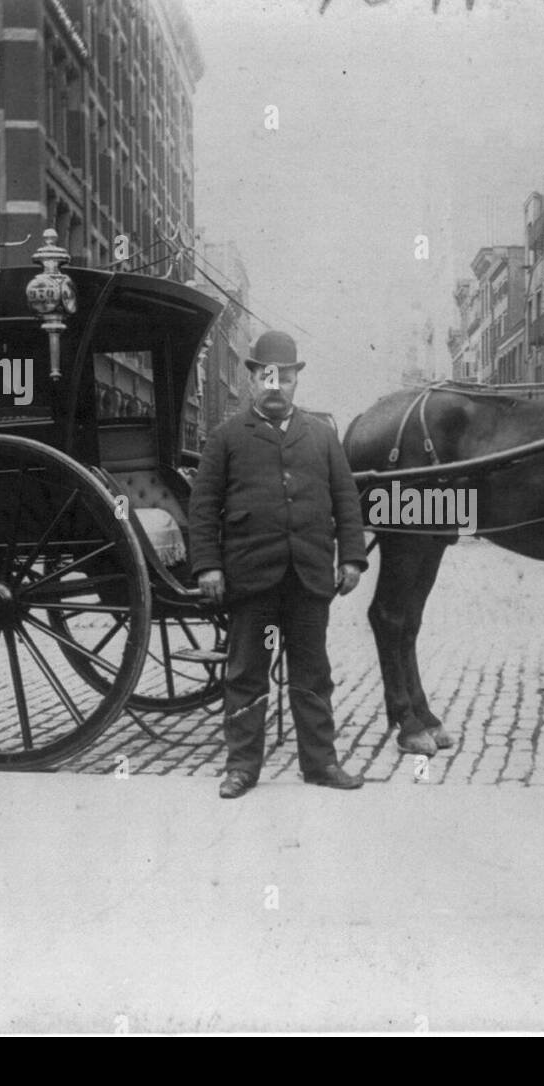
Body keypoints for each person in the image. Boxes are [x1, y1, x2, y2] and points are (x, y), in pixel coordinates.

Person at [188, 331, 369, 798]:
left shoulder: (323, 437)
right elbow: (204, 506)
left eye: (284, 378)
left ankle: (321, 764)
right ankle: (242, 768)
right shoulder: (227, 438)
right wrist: (208, 566)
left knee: (313, 674)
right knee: (246, 672)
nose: (275, 386)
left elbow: (347, 501)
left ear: (294, 381)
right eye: (266, 377)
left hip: (308, 577)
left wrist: (351, 558)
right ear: (252, 379)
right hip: (252, 578)